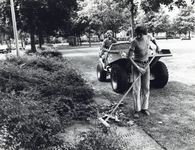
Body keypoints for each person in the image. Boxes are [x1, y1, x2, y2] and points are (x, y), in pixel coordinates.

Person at [127, 25, 160, 118]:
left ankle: (144, 108)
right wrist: (138, 68)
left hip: (146, 65)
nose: (139, 36)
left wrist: (157, 45)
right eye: (137, 34)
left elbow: (153, 39)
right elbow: (129, 57)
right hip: (137, 65)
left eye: (141, 34)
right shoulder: (134, 42)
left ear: (144, 34)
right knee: (137, 89)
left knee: (146, 87)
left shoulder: (148, 37)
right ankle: (136, 110)